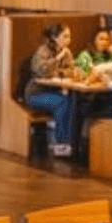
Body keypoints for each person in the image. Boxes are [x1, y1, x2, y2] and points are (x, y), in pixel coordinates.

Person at [23, 23, 78, 158]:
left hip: (53, 93)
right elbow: (40, 71)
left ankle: (68, 146)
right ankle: (62, 147)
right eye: (65, 36)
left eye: (69, 36)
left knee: (71, 102)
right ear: (54, 37)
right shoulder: (42, 51)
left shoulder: (67, 52)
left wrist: (70, 71)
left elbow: (70, 70)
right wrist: (58, 58)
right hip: (35, 94)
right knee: (63, 102)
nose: (68, 40)